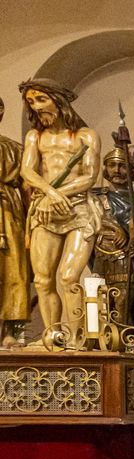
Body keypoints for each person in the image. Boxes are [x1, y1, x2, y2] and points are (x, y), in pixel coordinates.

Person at [18, 78, 101, 340]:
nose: (37, 106)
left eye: (41, 99)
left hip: (78, 210)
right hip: (45, 211)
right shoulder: (35, 137)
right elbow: (27, 171)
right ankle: (54, 337)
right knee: (43, 280)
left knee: (68, 277)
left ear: (58, 100)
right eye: (31, 102)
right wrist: (50, 194)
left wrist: (57, 194)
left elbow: (89, 177)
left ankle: (75, 338)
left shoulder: (86, 136)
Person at [91, 148, 134, 326]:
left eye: (122, 166)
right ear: (105, 168)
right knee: (99, 305)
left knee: (123, 306)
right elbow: (90, 218)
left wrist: (132, 236)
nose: (117, 170)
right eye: (112, 165)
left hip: (126, 259)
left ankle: (124, 342)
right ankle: (103, 342)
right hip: (102, 255)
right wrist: (115, 228)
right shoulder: (95, 196)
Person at [0, 94, 29, 348]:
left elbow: (28, 188)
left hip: (9, 213)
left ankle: (9, 331)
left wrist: (33, 227)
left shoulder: (13, 149)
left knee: (13, 270)